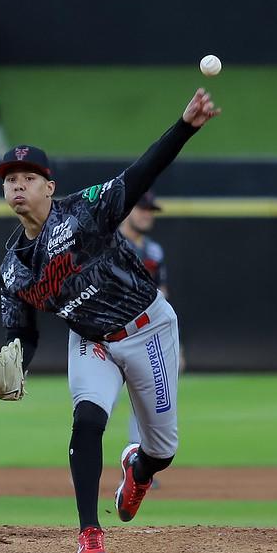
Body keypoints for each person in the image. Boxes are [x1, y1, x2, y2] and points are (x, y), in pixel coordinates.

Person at [0, 88, 219, 553]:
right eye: (10, 178)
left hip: (147, 328)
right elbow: (24, 334)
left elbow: (139, 177)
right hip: (93, 341)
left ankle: (138, 469)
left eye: (28, 177)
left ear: (48, 187)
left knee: (162, 450)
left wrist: (185, 126)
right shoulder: (13, 270)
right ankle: (89, 532)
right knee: (88, 420)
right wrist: (13, 365)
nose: (17, 185)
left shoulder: (85, 211)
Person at [115, 192, 169, 470]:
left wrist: (174, 345)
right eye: (142, 208)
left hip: (146, 336)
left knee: (146, 405)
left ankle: (140, 468)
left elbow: (163, 296)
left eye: (151, 210)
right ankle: (87, 468)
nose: (148, 214)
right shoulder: (108, 243)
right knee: (99, 406)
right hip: (109, 334)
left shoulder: (154, 251)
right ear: (127, 211)